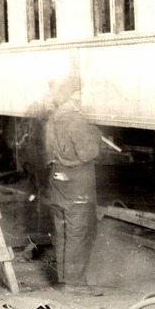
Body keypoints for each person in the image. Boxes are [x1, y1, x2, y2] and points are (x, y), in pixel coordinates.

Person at [44, 74, 105, 296]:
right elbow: (89, 152)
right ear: (73, 95)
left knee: (62, 231)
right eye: (80, 93)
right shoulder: (76, 120)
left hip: (58, 180)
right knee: (79, 231)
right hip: (77, 182)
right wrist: (95, 136)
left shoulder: (53, 118)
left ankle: (64, 279)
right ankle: (76, 284)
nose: (82, 97)